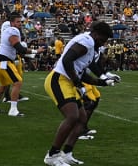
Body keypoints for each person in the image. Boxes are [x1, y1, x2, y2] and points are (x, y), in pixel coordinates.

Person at [43, 21, 118, 166]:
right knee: (72, 116)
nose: (102, 44)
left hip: (68, 80)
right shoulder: (87, 41)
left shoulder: (90, 47)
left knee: (82, 119)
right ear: (95, 34)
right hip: (58, 79)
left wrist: (103, 82)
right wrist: (77, 82)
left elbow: (82, 74)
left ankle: (67, 153)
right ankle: (52, 155)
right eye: (102, 40)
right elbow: (66, 60)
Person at [0, 13, 30, 117]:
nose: (20, 24)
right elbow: (19, 48)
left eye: (20, 21)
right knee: (17, 82)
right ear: (11, 23)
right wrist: (35, 51)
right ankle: (13, 110)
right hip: (4, 61)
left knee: (4, 85)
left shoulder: (8, 31)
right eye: (17, 21)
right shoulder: (13, 30)